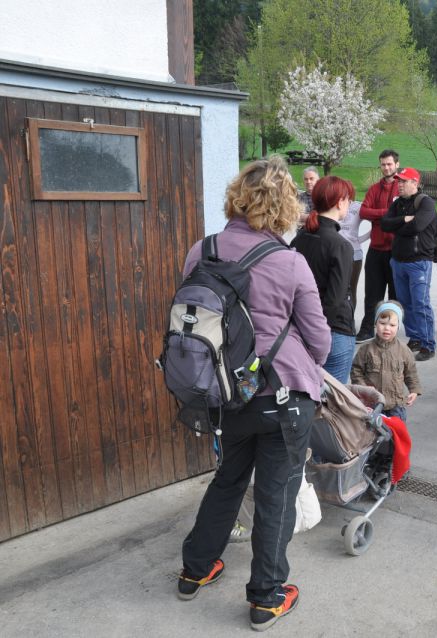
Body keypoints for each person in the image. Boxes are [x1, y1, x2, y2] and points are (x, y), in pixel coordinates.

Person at [176, 157, 331, 632]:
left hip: (224, 394)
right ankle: (265, 597)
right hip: (283, 396)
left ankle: (195, 570)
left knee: (228, 479)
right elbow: (320, 341)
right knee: (276, 494)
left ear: (237, 196)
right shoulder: (290, 262)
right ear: (285, 206)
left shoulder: (201, 250)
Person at [291, 176, 357, 384]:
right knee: (334, 405)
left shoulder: (299, 238)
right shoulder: (340, 246)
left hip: (300, 329)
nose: (349, 204)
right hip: (333, 332)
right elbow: (335, 301)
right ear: (340, 202)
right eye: (348, 200)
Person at [380, 167, 437, 362]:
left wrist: (398, 227)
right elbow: (384, 224)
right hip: (398, 261)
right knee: (405, 303)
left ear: (415, 183)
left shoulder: (426, 202)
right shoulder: (398, 203)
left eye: (404, 181)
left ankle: (427, 343)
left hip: (419, 262)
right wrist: (403, 220)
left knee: (420, 304)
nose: (400, 185)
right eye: (399, 181)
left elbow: (417, 226)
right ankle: (414, 337)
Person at [351, 301, 422, 423]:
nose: (387, 328)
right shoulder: (366, 349)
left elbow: (411, 372)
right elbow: (356, 370)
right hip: (373, 403)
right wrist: (363, 388)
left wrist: (414, 390)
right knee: (372, 434)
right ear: (375, 323)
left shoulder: (404, 350)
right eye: (382, 323)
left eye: (392, 325)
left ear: (398, 326)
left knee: (396, 435)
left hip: (396, 404)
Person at [357, 150, 400, 341]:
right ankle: (367, 328)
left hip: (396, 251)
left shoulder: (402, 187)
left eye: (389, 164)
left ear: (397, 165)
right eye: (383, 164)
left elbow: (404, 215)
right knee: (372, 294)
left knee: (394, 294)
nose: (386, 167)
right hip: (376, 249)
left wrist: (382, 214)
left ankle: (392, 330)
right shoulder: (374, 189)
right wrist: (388, 213)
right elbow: (364, 211)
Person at [339, 200, 369, 314]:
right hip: (336, 253)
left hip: (354, 254)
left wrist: (359, 240)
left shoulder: (357, 207)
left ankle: (349, 321)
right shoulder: (334, 204)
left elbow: (374, 222)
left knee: (351, 290)